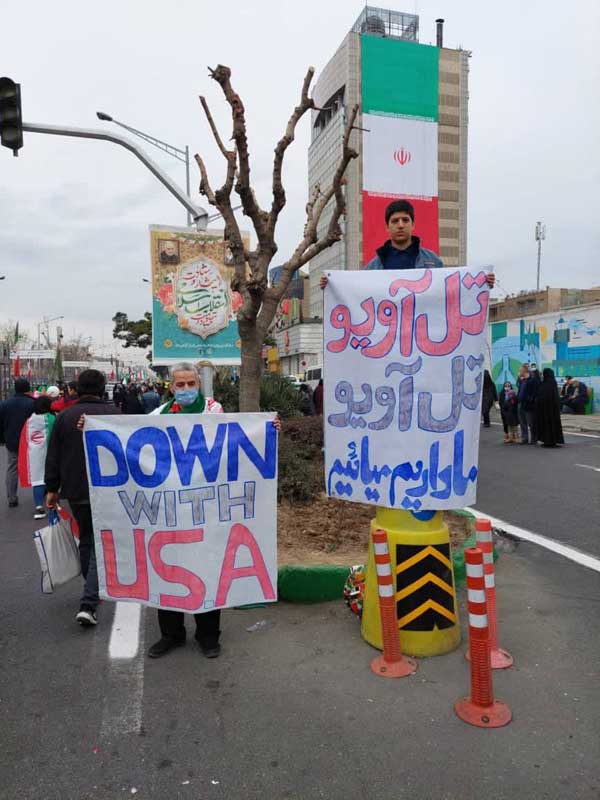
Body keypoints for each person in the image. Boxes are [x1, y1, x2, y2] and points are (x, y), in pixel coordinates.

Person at [147, 362, 281, 660]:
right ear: (170, 387)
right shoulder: (157, 416)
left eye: (190, 384)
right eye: (179, 385)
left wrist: (268, 430)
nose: (185, 390)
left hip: (208, 508)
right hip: (171, 510)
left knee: (207, 566)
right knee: (167, 570)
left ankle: (208, 636)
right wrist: (89, 429)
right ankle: (171, 634)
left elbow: (236, 439)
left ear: (198, 384)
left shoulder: (213, 410)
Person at [45, 369, 121, 627]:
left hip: (76, 490)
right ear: (103, 389)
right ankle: (89, 602)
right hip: (110, 490)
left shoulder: (64, 416)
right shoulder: (116, 416)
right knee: (101, 541)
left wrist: (52, 488)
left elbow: (53, 455)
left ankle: (92, 584)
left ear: (76, 388)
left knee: (88, 537)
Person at [319, 199, 495, 287]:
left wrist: (479, 282)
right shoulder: (373, 267)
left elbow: (450, 290)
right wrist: (332, 285)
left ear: (413, 224)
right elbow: (356, 292)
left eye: (405, 220)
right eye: (395, 221)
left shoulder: (433, 261)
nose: (400, 225)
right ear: (387, 227)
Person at [18, 394, 55, 519]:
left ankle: (39, 505)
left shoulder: (29, 421)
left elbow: (24, 438)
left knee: (37, 479)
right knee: (51, 478)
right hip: (50, 454)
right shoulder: (51, 419)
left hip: (34, 455)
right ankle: (52, 503)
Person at [0, 378, 34, 508]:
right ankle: (40, 496)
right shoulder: (32, 403)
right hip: (31, 441)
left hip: (12, 441)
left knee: (12, 468)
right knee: (37, 466)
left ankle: (12, 498)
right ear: (28, 388)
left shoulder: (4, 404)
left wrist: (3, 439)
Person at [536, 368, 564, 448]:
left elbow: (542, 396)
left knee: (547, 425)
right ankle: (554, 440)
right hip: (553, 409)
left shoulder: (545, 384)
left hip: (545, 409)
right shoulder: (553, 383)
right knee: (554, 424)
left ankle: (547, 441)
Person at [517, 365, 538, 444]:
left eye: (520, 370)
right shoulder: (522, 381)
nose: (519, 372)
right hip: (520, 404)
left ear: (525, 371)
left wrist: (530, 400)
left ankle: (534, 439)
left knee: (531, 423)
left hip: (529, 405)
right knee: (522, 423)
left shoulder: (532, 380)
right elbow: (520, 391)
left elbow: (534, 393)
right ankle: (524, 438)